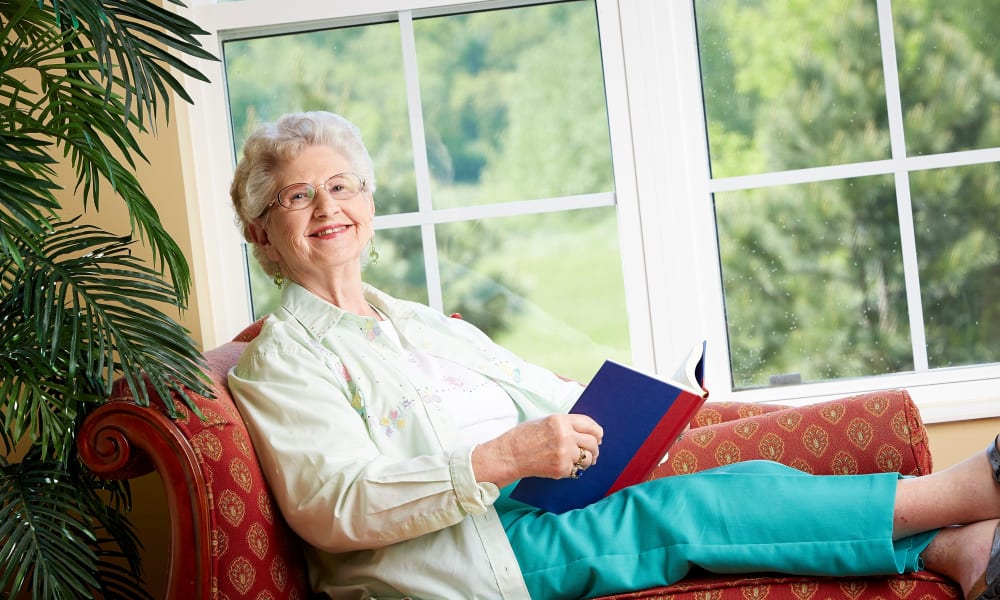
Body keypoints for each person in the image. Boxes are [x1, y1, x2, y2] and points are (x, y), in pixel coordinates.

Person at [227, 110, 1000, 600]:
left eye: (341, 186)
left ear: (368, 204)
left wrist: (617, 408)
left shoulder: (417, 322)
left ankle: (958, 550)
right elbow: (337, 506)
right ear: (262, 231)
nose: (327, 207)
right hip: (469, 561)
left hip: (533, 498)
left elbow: (537, 388)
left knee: (734, 477)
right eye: (297, 197)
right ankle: (964, 497)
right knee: (696, 509)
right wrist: (502, 455)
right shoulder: (279, 364)